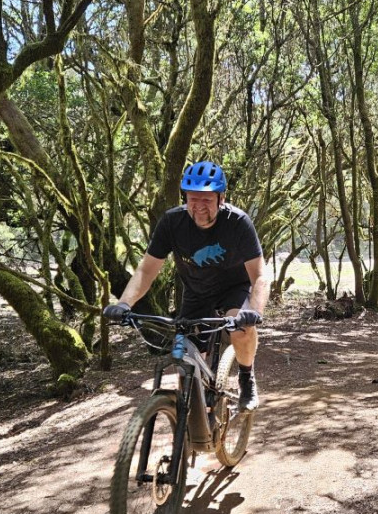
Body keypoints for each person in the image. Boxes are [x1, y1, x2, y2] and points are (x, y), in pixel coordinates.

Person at [103, 160, 269, 411]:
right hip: (197, 292)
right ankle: (190, 426)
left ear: (221, 198)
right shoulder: (172, 222)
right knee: (186, 363)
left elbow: (259, 275)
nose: (199, 206)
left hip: (233, 289)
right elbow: (147, 270)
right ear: (185, 197)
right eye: (193, 199)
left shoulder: (237, 222)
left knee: (240, 329)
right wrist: (125, 303)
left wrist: (254, 311)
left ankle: (246, 378)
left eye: (207, 200)